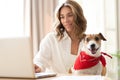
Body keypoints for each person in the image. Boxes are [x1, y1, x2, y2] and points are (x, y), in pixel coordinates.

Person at [34, 0, 87, 74]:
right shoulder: (51, 39)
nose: (65, 20)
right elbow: (40, 60)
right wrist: (38, 67)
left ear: (78, 16)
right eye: (62, 17)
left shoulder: (88, 41)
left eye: (70, 15)